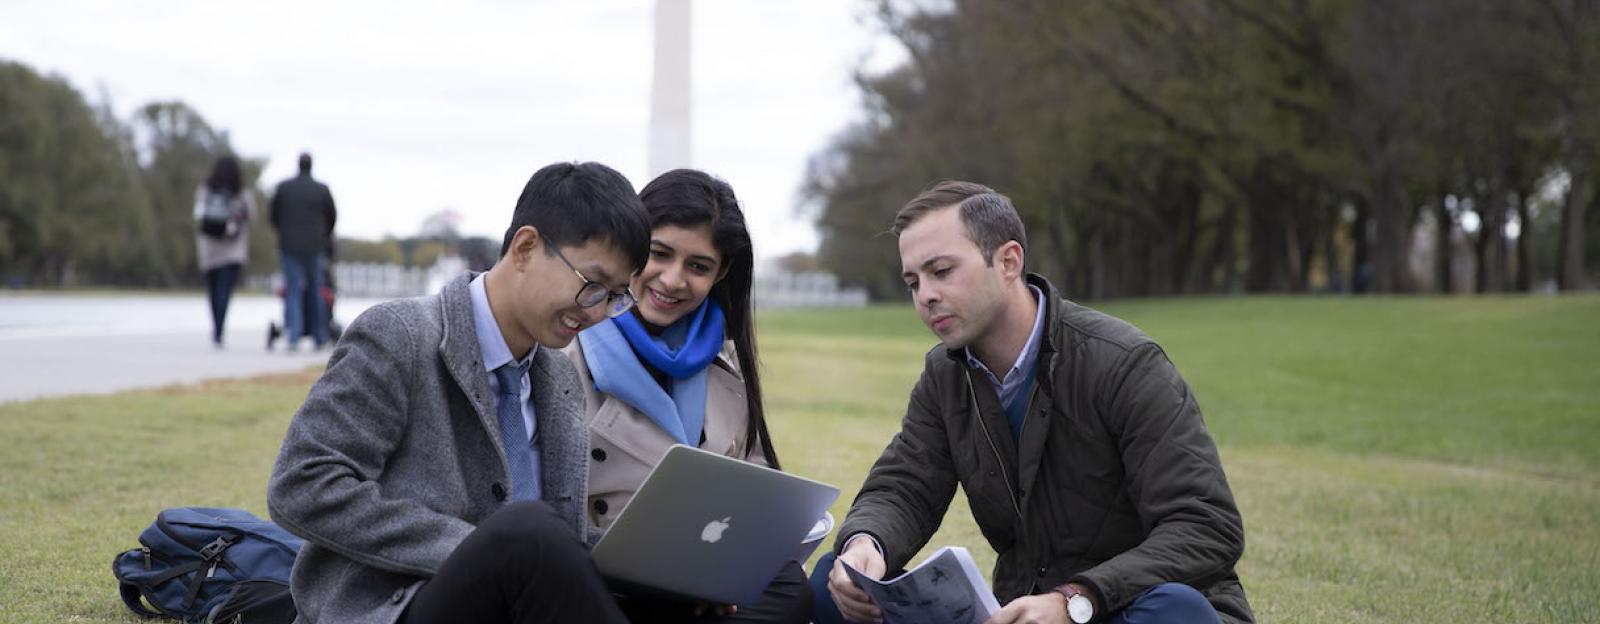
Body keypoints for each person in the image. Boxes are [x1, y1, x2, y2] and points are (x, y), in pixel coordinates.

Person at [814, 181, 1254, 624]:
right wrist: (866, 544)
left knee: (1173, 610)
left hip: (1126, 607)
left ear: (1008, 261)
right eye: (913, 281)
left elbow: (1205, 527)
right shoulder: (945, 375)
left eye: (941, 271)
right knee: (835, 583)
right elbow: (904, 487)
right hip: (1022, 613)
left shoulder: (1125, 363)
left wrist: (1077, 600)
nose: (925, 295)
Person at [268, 162, 651, 624]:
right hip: (396, 608)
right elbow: (302, 485)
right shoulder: (400, 337)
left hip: (512, 605)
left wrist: (662, 573)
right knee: (524, 529)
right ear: (526, 247)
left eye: (616, 296)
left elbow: (558, 542)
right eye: (592, 286)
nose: (598, 313)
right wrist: (480, 550)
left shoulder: (559, 377)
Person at [561, 169, 809, 623]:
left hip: (699, 568)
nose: (673, 281)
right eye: (659, 254)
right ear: (631, 244)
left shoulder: (727, 361)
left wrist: (733, 558)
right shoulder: (565, 347)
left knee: (791, 586)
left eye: (698, 266)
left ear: (722, 273)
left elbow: (752, 477)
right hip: (602, 575)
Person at [269, 152, 337, 350]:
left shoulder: (284, 188)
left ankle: (294, 336)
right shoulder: (322, 190)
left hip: (289, 245)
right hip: (315, 245)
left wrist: (284, 232)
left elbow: (273, 216)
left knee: (293, 290)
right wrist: (323, 235)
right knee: (316, 290)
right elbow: (332, 217)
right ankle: (319, 335)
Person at [193, 155, 254, 348]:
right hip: (232, 250)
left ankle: (216, 329)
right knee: (224, 292)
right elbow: (251, 216)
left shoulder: (205, 191)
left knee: (213, 292)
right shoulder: (242, 193)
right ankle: (219, 330)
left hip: (209, 249)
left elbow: (198, 215)